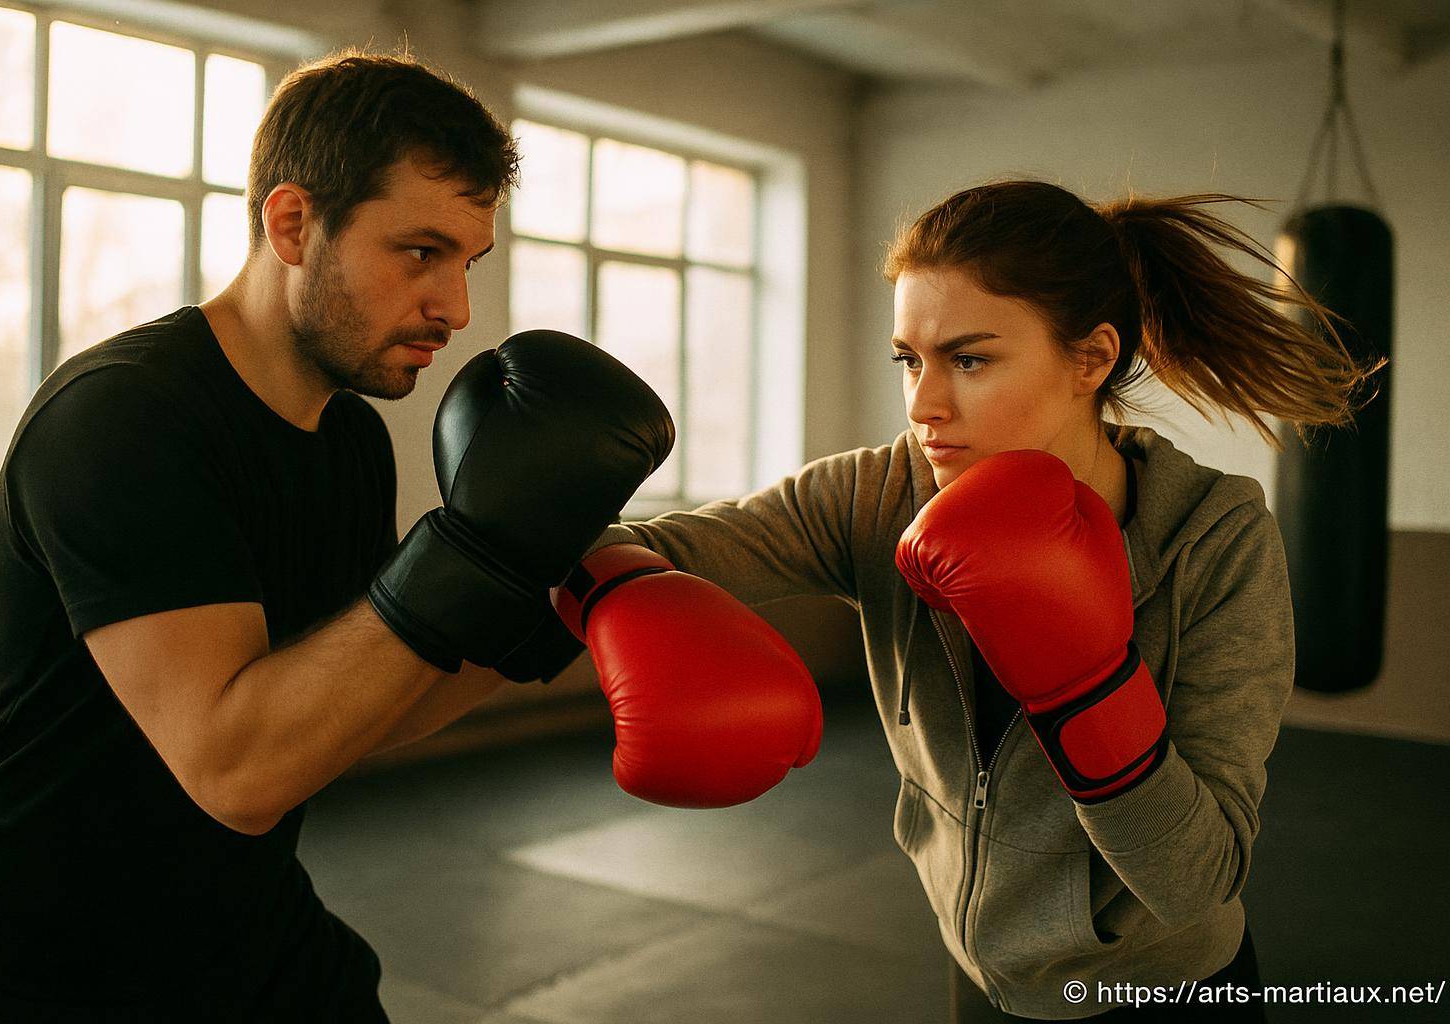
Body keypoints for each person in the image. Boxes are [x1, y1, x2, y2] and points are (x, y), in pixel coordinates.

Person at [0, 51, 682, 1022]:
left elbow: (354, 709)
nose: (456, 307)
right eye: (420, 253)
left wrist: (548, 597)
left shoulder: (348, 437)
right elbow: (237, 769)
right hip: (50, 973)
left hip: (245, 936)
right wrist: (467, 551)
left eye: (467, 262)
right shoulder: (125, 420)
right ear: (292, 223)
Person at [578, 180, 1381, 1021]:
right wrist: (548, 536)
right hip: (982, 975)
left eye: (969, 360)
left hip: (1165, 990)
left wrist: (1087, 691)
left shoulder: (1214, 538)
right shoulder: (877, 493)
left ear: (1092, 358)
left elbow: (1195, 882)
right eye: (908, 360)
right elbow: (654, 555)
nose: (925, 405)